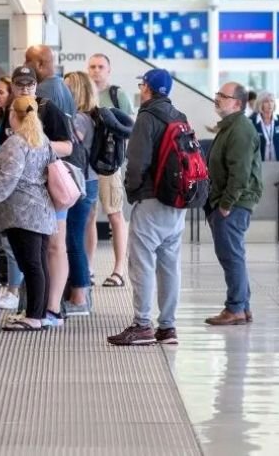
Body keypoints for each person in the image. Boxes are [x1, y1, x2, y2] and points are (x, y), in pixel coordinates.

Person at [108, 69, 188, 346]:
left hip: (152, 200)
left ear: (147, 89)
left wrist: (132, 192)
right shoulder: (179, 116)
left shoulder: (147, 117)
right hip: (178, 202)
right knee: (169, 265)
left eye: (142, 85)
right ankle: (167, 327)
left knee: (141, 263)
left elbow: (137, 162)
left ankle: (142, 325)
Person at [0, 96, 56, 331]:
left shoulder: (16, 142)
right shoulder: (42, 139)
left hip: (22, 213)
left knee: (30, 264)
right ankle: (39, 314)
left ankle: (33, 317)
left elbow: (7, 179)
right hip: (42, 208)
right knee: (39, 264)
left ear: (13, 114)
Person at [0, 66, 73, 325]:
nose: (25, 88)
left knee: (52, 248)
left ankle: (49, 309)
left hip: (47, 189)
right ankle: (34, 309)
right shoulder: (10, 109)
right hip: (21, 195)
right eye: (20, 84)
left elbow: (68, 145)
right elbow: (2, 145)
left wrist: (33, 145)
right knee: (34, 256)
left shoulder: (47, 108)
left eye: (30, 84)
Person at [204, 81, 261, 326]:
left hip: (233, 204)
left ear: (237, 103)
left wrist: (226, 204)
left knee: (231, 256)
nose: (217, 98)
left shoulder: (240, 130)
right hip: (227, 201)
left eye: (222, 96)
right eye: (217, 94)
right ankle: (242, 306)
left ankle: (235, 307)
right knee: (232, 254)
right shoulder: (230, 127)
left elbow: (240, 172)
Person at [87, 54, 132, 288]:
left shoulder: (117, 95)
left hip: (109, 163)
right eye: (92, 67)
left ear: (109, 70)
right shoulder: (85, 93)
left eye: (100, 67)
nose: (96, 71)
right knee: (89, 215)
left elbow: (129, 127)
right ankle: (89, 268)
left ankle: (119, 269)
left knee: (115, 214)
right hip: (87, 163)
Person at [61, 71, 99, 315]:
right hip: (87, 180)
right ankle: (78, 292)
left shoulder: (79, 119)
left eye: (66, 89)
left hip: (80, 182)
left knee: (73, 239)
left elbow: (70, 145)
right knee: (73, 238)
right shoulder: (90, 117)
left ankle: (79, 296)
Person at [0, 76, 25, 310]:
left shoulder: (14, 125)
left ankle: (14, 290)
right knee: (6, 240)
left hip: (10, 184)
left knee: (12, 241)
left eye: (1, 91)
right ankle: (12, 288)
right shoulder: (0, 119)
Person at [25, 45, 76, 117]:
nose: (24, 65)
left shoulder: (39, 91)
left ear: (40, 64)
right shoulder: (65, 89)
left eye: (27, 60)